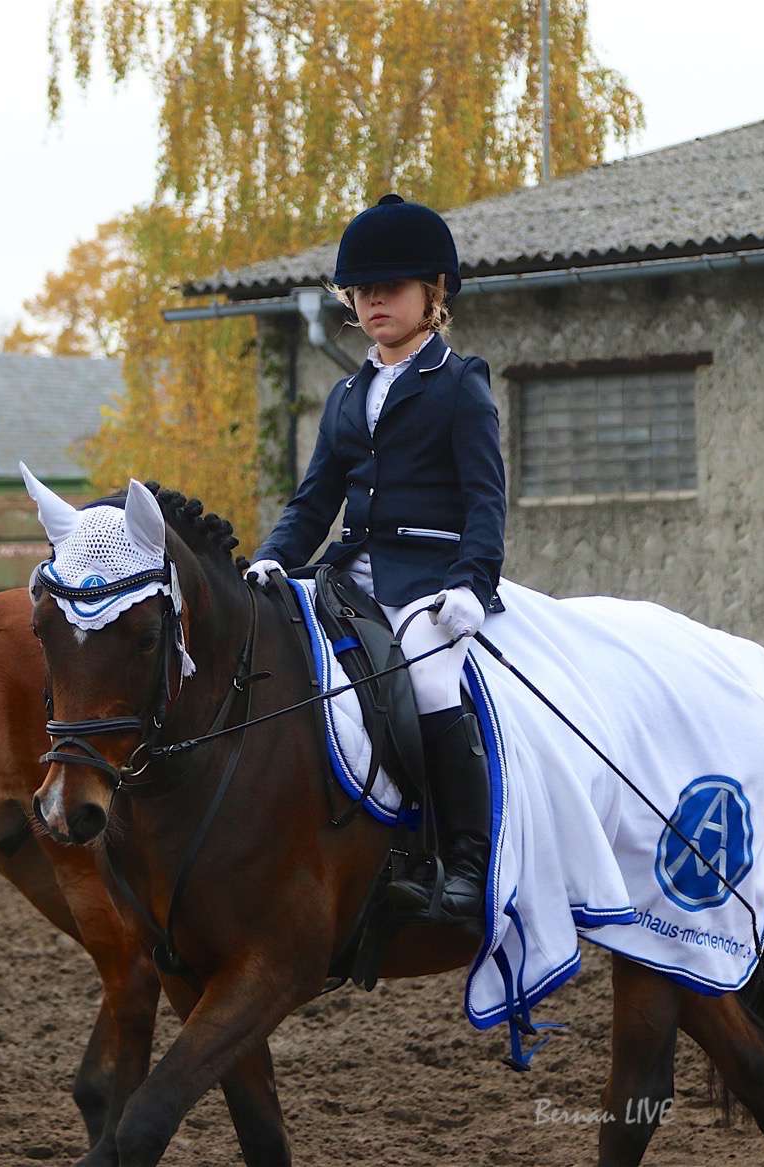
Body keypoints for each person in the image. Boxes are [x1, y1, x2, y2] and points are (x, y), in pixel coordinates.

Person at [244, 194, 505, 923]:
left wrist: (470, 586)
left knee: (425, 678)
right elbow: (312, 500)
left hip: (430, 581)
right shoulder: (346, 394)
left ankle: (464, 862)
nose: (374, 300)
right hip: (347, 575)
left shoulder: (460, 384)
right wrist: (271, 558)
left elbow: (486, 501)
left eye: (389, 287)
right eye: (362, 290)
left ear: (433, 293)